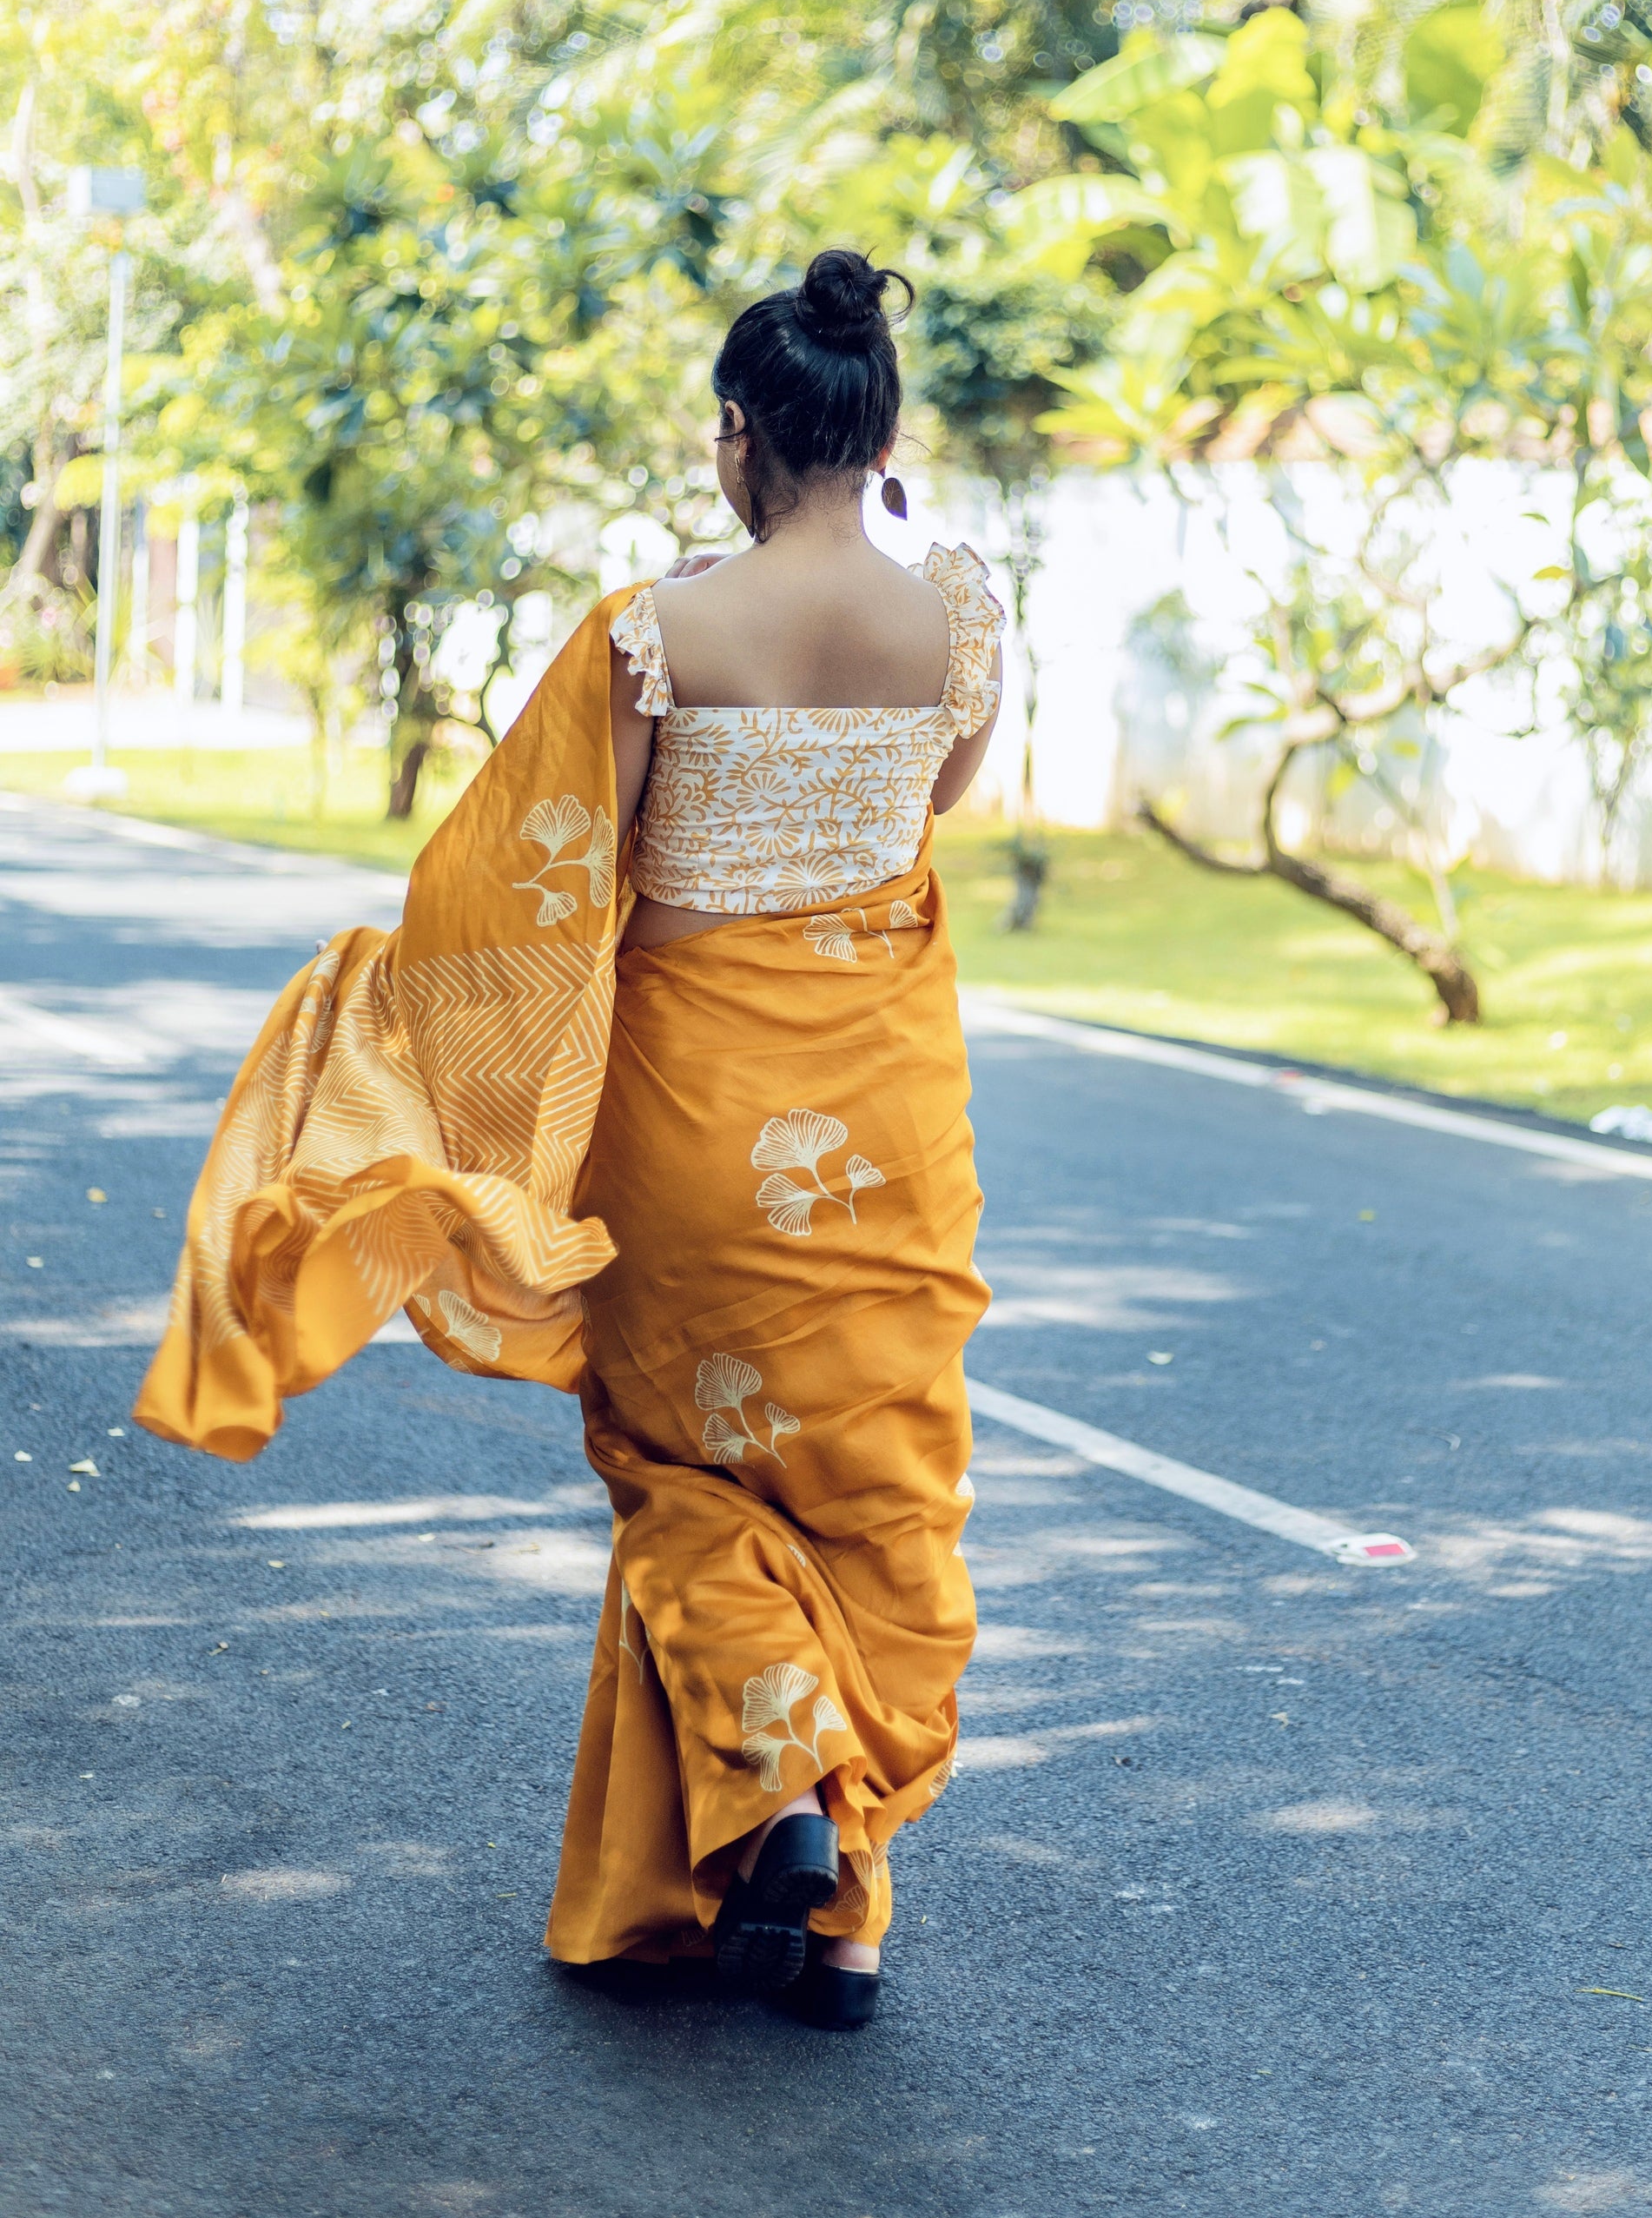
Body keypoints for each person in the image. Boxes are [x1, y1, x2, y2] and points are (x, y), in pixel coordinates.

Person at [133, 248, 1004, 2033]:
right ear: (882, 437)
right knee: (874, 1498)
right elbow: (935, 803)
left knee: (685, 1471)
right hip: (890, 1122)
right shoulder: (965, 610)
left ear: (738, 437)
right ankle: (846, 1923)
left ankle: (772, 1797)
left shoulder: (656, 629)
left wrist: (396, 1015)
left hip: (692, 1119)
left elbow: (538, 876)